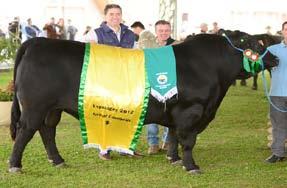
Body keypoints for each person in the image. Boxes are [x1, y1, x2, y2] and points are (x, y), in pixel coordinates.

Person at [84, 4, 136, 160]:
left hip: (125, 79)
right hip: (103, 79)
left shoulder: (130, 34)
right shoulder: (94, 33)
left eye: (118, 14)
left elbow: (135, 55)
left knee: (126, 112)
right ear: (105, 17)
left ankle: (123, 146)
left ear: (122, 15)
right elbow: (86, 54)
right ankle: (104, 148)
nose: (115, 17)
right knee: (106, 114)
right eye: (112, 14)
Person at [146, 20, 176, 155]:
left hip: (170, 84)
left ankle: (167, 141)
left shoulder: (176, 45)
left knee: (170, 112)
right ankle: (153, 143)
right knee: (152, 113)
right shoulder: (148, 45)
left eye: (166, 30)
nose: (164, 33)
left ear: (170, 31)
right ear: (156, 31)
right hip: (152, 83)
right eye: (161, 30)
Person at [265, 21, 287, 163]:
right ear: (282, 32)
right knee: (278, 125)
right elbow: (258, 63)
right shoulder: (272, 49)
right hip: (277, 93)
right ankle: (278, 153)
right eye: (286, 29)